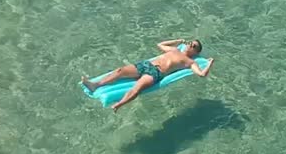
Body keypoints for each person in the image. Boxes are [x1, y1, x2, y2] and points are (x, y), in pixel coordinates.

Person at [82, 38, 214, 112]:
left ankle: (118, 105)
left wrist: (209, 63)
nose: (189, 44)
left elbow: (202, 74)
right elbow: (160, 44)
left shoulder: (189, 62)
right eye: (190, 42)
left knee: (136, 89)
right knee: (119, 71)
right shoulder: (174, 49)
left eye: (193, 45)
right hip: (146, 64)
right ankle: (95, 85)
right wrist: (178, 41)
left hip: (156, 73)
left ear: (195, 51)